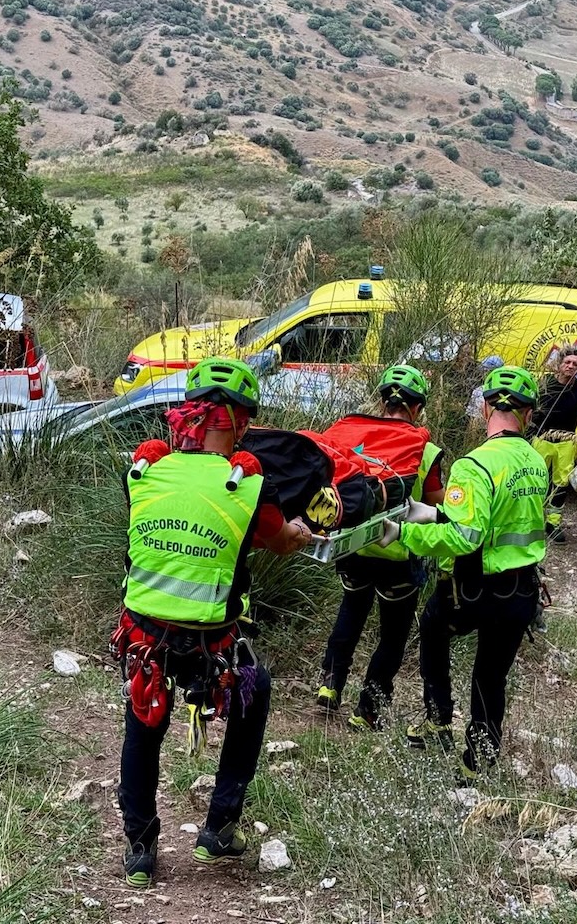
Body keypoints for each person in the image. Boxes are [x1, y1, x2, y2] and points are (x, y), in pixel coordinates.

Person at [112, 358, 313, 888]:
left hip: (144, 635)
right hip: (211, 641)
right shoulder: (245, 484)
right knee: (256, 691)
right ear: (241, 422)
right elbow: (281, 541)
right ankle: (220, 826)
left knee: (144, 726)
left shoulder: (144, 470)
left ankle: (139, 847)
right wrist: (305, 531)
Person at [379, 365, 549, 780]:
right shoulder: (535, 460)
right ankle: (480, 762)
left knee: (433, 632)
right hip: (522, 589)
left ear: (486, 406)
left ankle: (438, 720)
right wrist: (436, 511)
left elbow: (465, 538)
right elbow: (493, 520)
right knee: (491, 676)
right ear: (527, 415)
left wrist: (405, 533)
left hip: (475, 589)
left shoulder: (475, 465)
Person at [315, 365, 445, 730]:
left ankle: (330, 685)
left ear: (382, 401)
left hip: (353, 548)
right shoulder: (427, 449)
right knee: (392, 634)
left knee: (351, 612)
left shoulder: (355, 437)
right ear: (418, 408)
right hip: (397, 553)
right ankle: (367, 710)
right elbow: (435, 505)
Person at [528, 345, 577, 543]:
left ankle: (553, 523)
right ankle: (534, 523)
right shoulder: (544, 384)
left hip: (566, 442)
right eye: (567, 362)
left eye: (575, 363)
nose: (570, 366)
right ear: (559, 364)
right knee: (536, 481)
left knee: (561, 484)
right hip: (541, 440)